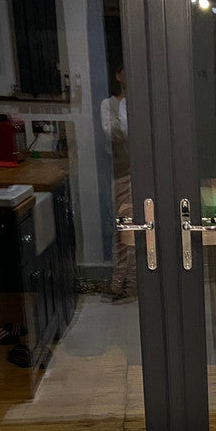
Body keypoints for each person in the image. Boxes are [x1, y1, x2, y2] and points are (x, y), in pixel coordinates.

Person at [100, 65, 137, 302]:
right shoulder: (108, 105)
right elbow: (113, 134)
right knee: (122, 226)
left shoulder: (144, 103)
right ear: (118, 75)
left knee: (138, 227)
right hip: (121, 173)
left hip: (143, 173)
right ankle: (118, 280)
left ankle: (131, 283)